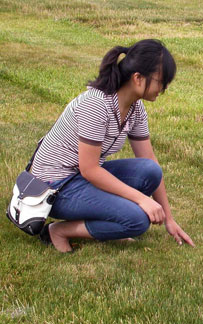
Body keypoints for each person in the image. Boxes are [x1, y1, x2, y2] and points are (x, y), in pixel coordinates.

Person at [32, 39, 194, 252]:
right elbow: (89, 170)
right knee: (137, 220)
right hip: (54, 187)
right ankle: (59, 231)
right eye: (161, 82)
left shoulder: (135, 108)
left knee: (150, 171)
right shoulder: (97, 105)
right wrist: (141, 200)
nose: (163, 89)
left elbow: (149, 160)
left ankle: (112, 223)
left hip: (79, 178)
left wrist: (169, 219)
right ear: (138, 78)